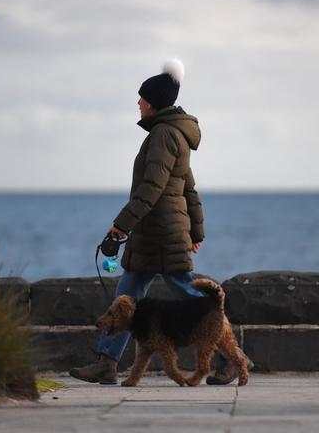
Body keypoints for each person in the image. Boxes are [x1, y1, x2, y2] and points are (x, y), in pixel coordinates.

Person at [69, 59, 249, 385]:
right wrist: (196, 230)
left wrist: (121, 225)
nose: (137, 103)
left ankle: (234, 357)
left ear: (152, 102)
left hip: (162, 236)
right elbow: (188, 187)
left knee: (196, 297)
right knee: (127, 295)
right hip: (156, 235)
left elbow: (150, 188)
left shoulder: (164, 135)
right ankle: (107, 364)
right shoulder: (174, 134)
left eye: (141, 98)